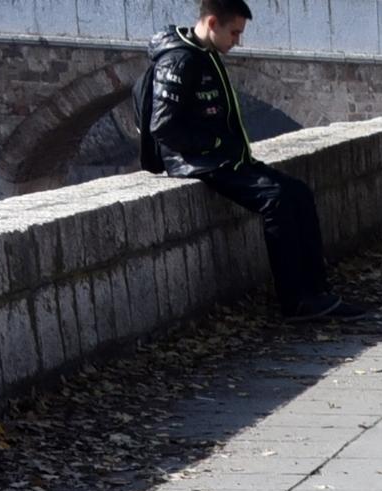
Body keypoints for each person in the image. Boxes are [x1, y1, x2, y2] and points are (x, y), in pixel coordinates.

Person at [141, 0, 342, 320]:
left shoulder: (204, 52)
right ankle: (295, 301)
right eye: (233, 32)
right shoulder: (179, 60)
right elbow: (162, 127)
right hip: (199, 162)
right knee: (276, 199)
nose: (237, 40)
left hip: (225, 158)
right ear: (211, 23)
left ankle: (317, 291)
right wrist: (214, 142)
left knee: (299, 193)